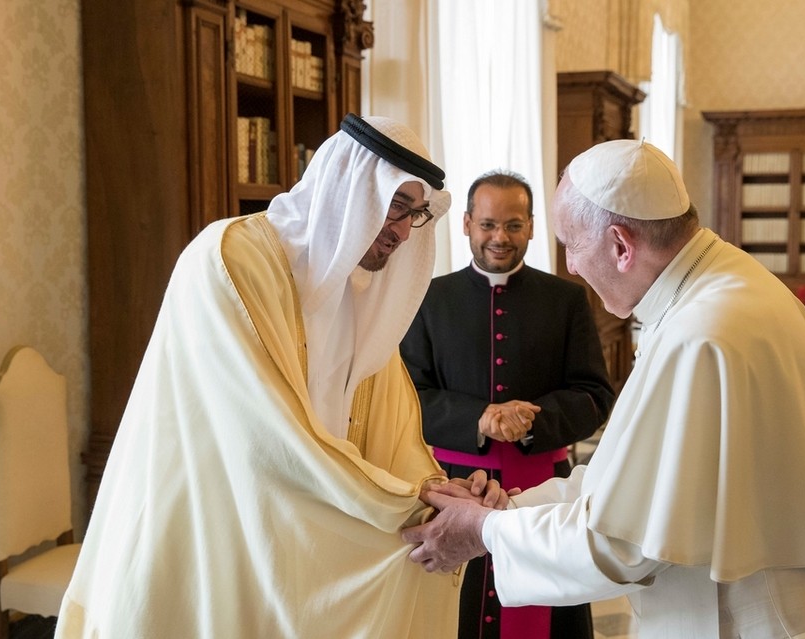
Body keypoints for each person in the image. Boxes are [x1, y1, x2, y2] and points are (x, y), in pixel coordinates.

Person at [403, 140, 805, 638]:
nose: (572, 267)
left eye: (573, 246)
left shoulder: (699, 334)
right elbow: (643, 483)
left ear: (621, 245)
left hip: (790, 621)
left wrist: (483, 531)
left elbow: (621, 545)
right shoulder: (724, 284)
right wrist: (510, 508)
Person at [56, 114, 508, 639]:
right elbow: (273, 437)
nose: (404, 231)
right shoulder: (229, 261)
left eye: (417, 214)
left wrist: (436, 488)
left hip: (302, 531)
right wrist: (413, 503)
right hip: (209, 527)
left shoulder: (362, 296)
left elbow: (390, 429)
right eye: (395, 206)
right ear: (346, 187)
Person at [400, 170, 615, 639]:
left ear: (532, 227)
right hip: (454, 488)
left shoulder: (566, 300)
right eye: (488, 224)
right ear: (466, 224)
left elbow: (594, 395)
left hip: (541, 488)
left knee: (548, 611)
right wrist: (479, 418)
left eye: (514, 225)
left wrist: (531, 421)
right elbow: (410, 397)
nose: (500, 237)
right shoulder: (429, 299)